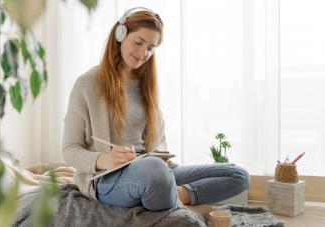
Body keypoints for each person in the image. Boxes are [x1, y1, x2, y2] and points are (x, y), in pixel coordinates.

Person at [62, 7, 249, 211]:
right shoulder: (86, 84)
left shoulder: (147, 86)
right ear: (120, 35)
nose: (143, 53)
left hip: (152, 168)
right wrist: (105, 159)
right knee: (155, 170)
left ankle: (178, 195)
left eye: (151, 47)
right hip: (107, 178)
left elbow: (155, 144)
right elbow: (69, 149)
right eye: (139, 42)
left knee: (238, 175)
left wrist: (161, 156)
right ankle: (165, 192)